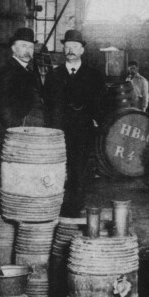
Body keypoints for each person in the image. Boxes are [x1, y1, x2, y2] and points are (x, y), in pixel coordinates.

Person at [46, 29, 105, 216]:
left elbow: (101, 105)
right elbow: (47, 105)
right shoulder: (54, 75)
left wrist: (97, 124)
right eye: (67, 46)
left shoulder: (94, 76)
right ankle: (56, 206)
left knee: (79, 168)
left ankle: (74, 206)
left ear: (82, 51)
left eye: (75, 47)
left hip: (83, 131)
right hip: (59, 131)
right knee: (58, 168)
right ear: (63, 49)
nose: (70, 50)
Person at [0, 27, 46, 129]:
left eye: (31, 47)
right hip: (16, 129)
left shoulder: (27, 70)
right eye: (23, 46)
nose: (28, 50)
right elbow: (1, 104)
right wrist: (14, 128)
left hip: (28, 125)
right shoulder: (8, 70)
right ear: (13, 48)